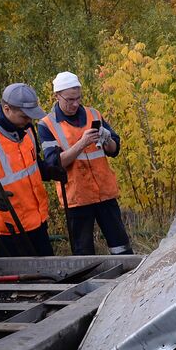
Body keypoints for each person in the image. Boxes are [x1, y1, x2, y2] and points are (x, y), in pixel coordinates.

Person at [0, 82, 62, 257]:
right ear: (7, 109)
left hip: (36, 222)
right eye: (24, 116)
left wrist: (48, 171)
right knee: (22, 283)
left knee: (48, 279)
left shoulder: (25, 128)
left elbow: (31, 164)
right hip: (8, 231)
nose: (29, 121)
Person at [37, 71, 133, 256]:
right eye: (70, 99)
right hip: (76, 197)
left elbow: (114, 150)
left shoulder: (93, 113)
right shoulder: (47, 125)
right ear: (57, 96)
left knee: (121, 247)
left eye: (78, 98)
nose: (75, 104)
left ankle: (130, 280)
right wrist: (82, 143)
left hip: (105, 193)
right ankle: (89, 284)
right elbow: (53, 164)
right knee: (83, 254)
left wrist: (107, 140)